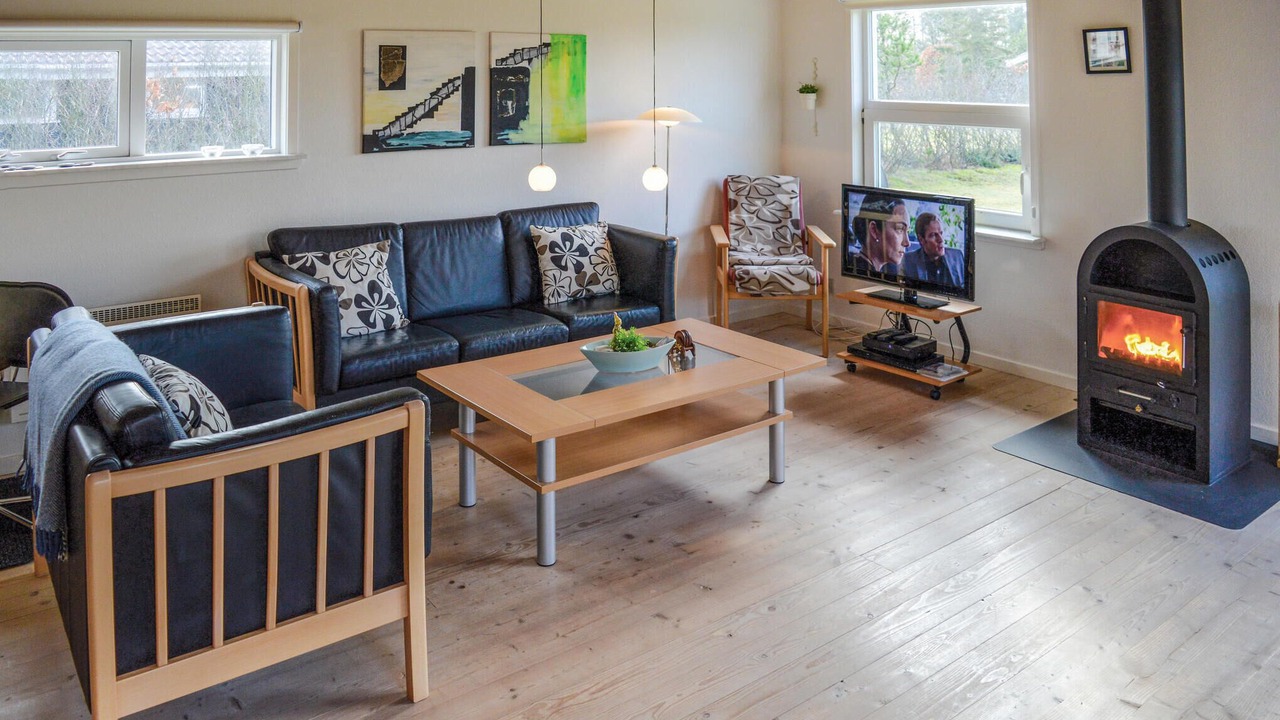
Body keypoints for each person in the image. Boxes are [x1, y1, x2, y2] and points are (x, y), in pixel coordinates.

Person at [850, 196, 910, 275]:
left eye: (908, 231)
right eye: (900, 229)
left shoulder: (885, 271)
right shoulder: (859, 273)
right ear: (874, 230)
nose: (907, 243)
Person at [902, 212, 965, 287]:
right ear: (921, 239)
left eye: (941, 233)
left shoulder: (957, 256)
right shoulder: (907, 261)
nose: (941, 240)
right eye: (933, 235)